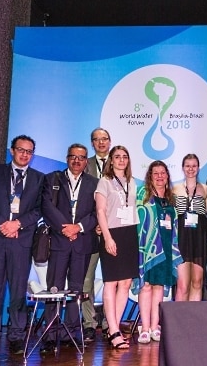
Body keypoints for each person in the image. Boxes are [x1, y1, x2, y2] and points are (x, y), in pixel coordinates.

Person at [0, 135, 44, 357]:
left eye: (29, 151)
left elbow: (39, 209)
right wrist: (1, 224)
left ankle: (16, 336)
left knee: (18, 291)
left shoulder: (39, 178)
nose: (25, 154)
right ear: (12, 151)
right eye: (21, 150)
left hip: (21, 241)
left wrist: (18, 224)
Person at [39, 143, 99, 353]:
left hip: (81, 241)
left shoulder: (94, 183)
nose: (77, 161)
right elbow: (46, 206)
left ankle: (72, 332)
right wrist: (65, 228)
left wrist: (78, 227)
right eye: (73, 157)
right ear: (67, 158)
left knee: (76, 290)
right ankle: (50, 333)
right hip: (58, 240)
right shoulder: (52, 179)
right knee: (54, 289)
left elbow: (96, 212)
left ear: (86, 161)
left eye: (81, 157)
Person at [94, 145, 139, 349]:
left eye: (125, 157)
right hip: (111, 233)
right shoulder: (104, 182)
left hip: (129, 233)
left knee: (126, 283)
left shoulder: (132, 182)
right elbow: (101, 212)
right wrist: (107, 238)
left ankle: (116, 327)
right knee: (111, 282)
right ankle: (112, 330)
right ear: (111, 160)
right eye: (117, 157)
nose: (121, 160)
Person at [134, 161, 183, 344]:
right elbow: (137, 220)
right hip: (147, 249)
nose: (160, 176)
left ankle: (155, 326)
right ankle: (144, 328)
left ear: (167, 176)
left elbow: (175, 224)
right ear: (150, 176)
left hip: (166, 249)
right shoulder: (142, 194)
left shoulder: (170, 197)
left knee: (159, 287)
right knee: (146, 286)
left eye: (163, 173)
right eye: (156, 173)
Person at [83, 127, 111, 342]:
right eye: (97, 140)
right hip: (91, 230)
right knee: (87, 278)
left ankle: (112, 322)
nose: (101, 143)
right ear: (92, 143)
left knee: (114, 278)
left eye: (105, 139)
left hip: (114, 231)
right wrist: (94, 223)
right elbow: (83, 198)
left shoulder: (120, 162)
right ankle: (89, 322)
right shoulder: (85, 164)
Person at [172, 154, 207, 301]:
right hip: (181, 239)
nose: (191, 169)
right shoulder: (174, 189)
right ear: (183, 168)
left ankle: (193, 321)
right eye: (188, 166)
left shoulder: (205, 189)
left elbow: (206, 215)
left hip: (199, 239)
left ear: (198, 168)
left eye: (194, 166)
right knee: (182, 284)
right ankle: (179, 322)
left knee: (197, 282)